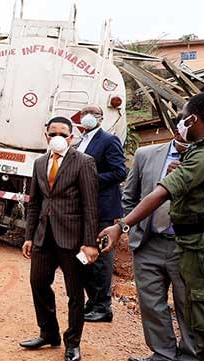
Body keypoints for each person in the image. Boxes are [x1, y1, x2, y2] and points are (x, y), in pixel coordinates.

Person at [99, 92, 204, 361]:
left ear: (193, 120)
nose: (180, 120)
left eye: (184, 115)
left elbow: (161, 193)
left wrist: (121, 225)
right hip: (194, 245)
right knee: (198, 317)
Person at [20, 116, 99, 361]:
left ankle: (73, 342)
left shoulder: (84, 162)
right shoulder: (40, 162)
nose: (57, 138)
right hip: (44, 237)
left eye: (62, 134)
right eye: (52, 133)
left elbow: (90, 205)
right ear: (46, 136)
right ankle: (48, 333)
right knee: (38, 283)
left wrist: (89, 243)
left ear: (71, 137)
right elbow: (35, 203)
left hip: (73, 239)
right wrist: (29, 236)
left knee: (75, 294)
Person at [123, 127, 198, 361]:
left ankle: (191, 359)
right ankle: (164, 354)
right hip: (149, 241)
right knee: (151, 301)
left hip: (184, 245)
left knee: (187, 303)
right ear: (176, 130)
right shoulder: (145, 154)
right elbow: (129, 195)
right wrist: (132, 227)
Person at [74, 105, 127, 323]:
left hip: (102, 209)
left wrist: (91, 179)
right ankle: (92, 302)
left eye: (93, 114)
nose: (88, 117)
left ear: (101, 118)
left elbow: (119, 172)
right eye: (85, 113)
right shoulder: (80, 142)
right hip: (82, 208)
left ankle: (103, 307)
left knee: (101, 259)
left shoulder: (108, 140)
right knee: (82, 257)